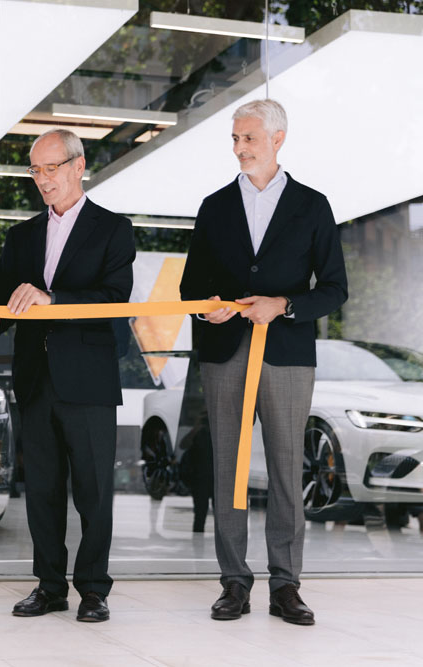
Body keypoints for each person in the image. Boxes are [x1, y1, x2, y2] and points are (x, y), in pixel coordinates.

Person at [179, 99, 347, 626]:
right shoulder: (213, 206)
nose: (239, 148)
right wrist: (213, 310)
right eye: (235, 138)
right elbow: (191, 288)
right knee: (227, 470)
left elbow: (336, 289)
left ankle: (286, 585)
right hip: (226, 353)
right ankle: (233, 582)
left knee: (283, 470)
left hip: (287, 356)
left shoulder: (312, 205)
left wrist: (286, 306)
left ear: (278, 139)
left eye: (248, 138)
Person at [0, 128, 134, 623]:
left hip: (89, 380)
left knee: (94, 491)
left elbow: (116, 300)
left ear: (78, 166)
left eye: (52, 167)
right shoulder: (22, 235)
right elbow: (4, 303)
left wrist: (54, 301)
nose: (43, 179)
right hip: (35, 381)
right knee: (43, 492)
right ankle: (49, 586)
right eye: (36, 170)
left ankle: (93, 589)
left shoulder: (114, 229)